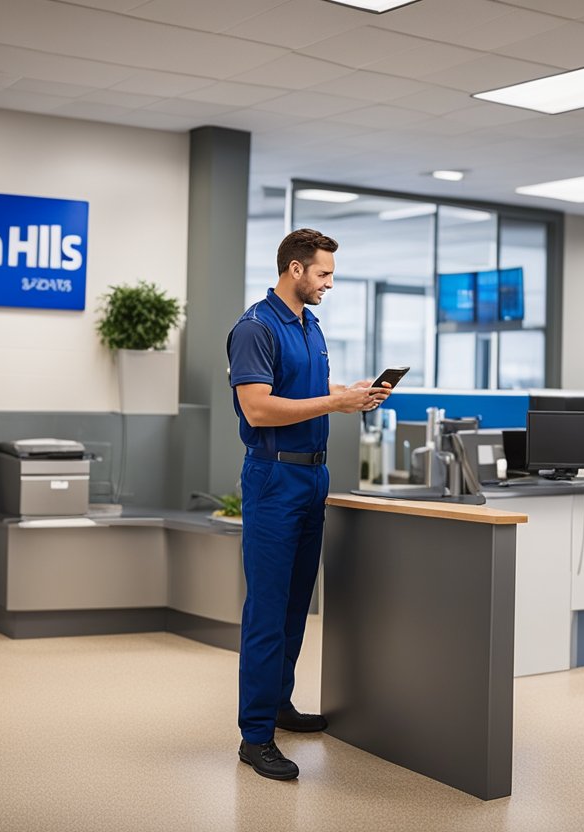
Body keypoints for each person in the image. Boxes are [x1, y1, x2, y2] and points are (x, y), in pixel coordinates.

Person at [227, 228, 391, 781]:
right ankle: (255, 736)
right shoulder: (256, 328)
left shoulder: (309, 325)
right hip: (274, 479)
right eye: (323, 274)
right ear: (295, 269)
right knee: (268, 609)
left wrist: (351, 393)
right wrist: (335, 401)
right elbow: (259, 410)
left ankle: (279, 704)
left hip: (313, 478)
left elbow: (301, 395)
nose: (328, 284)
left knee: (297, 605)